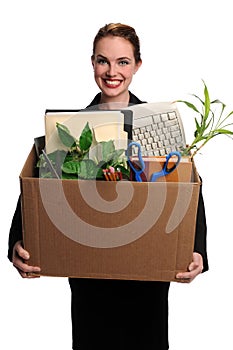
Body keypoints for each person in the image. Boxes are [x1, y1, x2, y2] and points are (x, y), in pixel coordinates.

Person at [8, 23, 208, 350]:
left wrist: (196, 249)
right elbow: (38, 184)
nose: (112, 71)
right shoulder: (68, 129)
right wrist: (18, 240)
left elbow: (187, 188)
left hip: (147, 277)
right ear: (92, 63)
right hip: (90, 278)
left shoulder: (159, 123)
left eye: (122, 62)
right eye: (103, 61)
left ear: (137, 65)